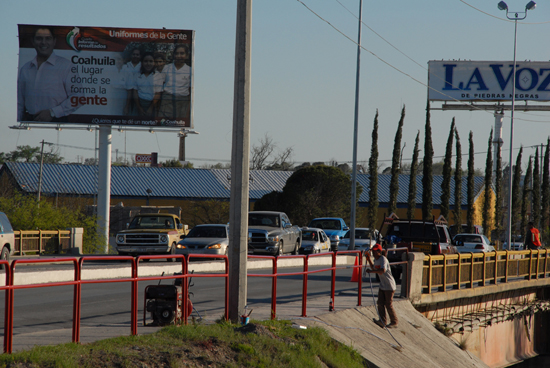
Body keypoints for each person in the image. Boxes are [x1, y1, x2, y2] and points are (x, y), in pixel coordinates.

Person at [17, 26, 81, 122]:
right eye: (39, 38)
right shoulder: (26, 69)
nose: (43, 42)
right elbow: (20, 102)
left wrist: (52, 112)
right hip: (29, 122)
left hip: (57, 121)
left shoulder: (65, 66)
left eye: (48, 38)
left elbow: (78, 96)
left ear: (54, 41)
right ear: (33, 41)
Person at [365, 243, 398, 329]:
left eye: (375, 251)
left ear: (379, 252)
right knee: (380, 303)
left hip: (389, 285)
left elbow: (382, 270)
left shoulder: (383, 259)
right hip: (383, 285)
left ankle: (394, 322)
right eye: (373, 251)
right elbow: (374, 268)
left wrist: (371, 272)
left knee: (388, 304)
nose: (374, 253)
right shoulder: (376, 260)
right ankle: (382, 321)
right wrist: (368, 259)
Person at [158, 44, 191, 120]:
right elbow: (160, 85)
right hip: (167, 99)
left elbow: (190, 89)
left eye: (182, 53)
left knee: (180, 123)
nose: (179, 56)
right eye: (177, 53)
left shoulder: (189, 70)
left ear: (186, 56)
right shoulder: (167, 68)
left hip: (182, 101)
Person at [130, 53, 164, 117]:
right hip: (138, 103)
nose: (148, 63)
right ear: (142, 62)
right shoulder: (137, 75)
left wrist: (151, 108)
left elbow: (158, 94)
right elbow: (135, 91)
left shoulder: (158, 76)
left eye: (151, 61)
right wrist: (138, 107)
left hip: (152, 104)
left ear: (154, 63)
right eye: (145, 61)